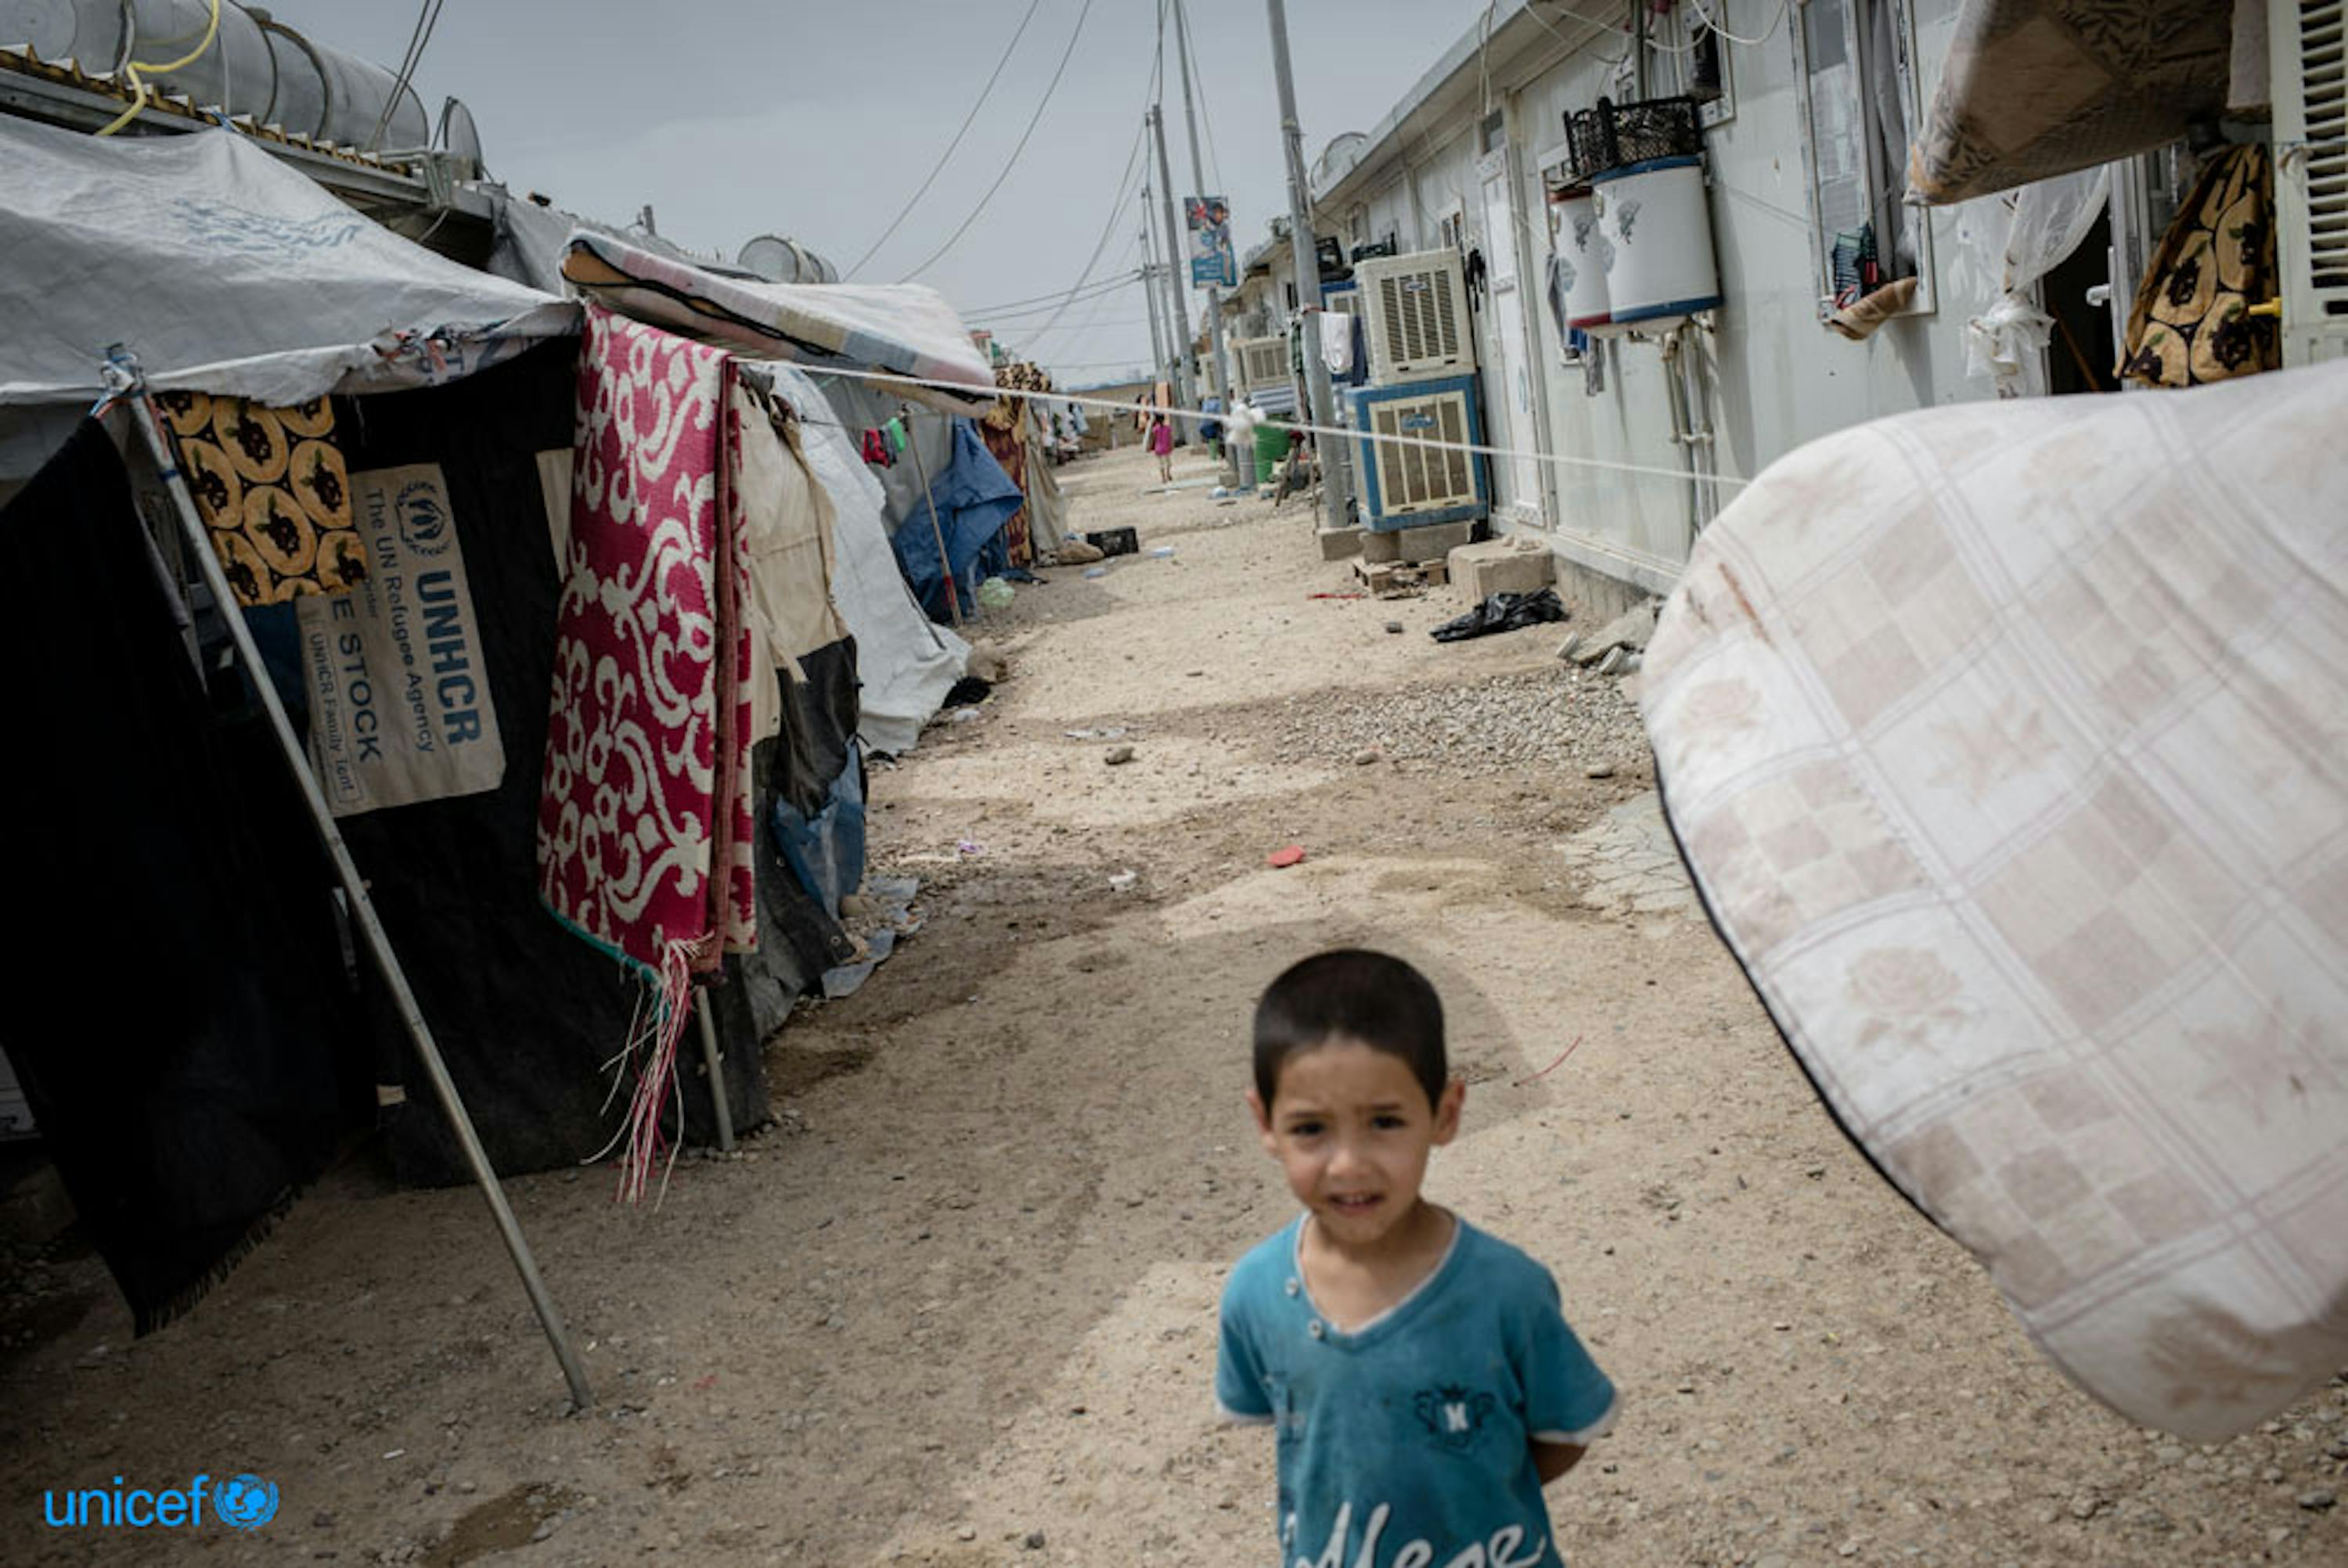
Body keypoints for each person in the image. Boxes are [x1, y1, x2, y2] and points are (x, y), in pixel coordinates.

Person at [1216, 950, 1618, 1568]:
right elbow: (1302, 1436)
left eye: (1384, 1121)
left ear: (1445, 1114)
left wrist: (1473, 1497)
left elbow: (1561, 1437)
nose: (1348, 1163)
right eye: (1310, 1129)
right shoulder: (1256, 1294)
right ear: (1265, 1123)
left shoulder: (1507, 1292)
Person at [1148, 410, 1174, 483]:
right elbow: (1170, 437)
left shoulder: (1155, 429)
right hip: (1166, 448)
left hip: (1158, 449)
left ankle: (1163, 478)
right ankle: (1168, 474)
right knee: (1168, 463)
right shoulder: (1168, 428)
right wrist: (1172, 445)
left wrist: (1150, 447)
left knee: (1161, 464)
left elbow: (1153, 439)